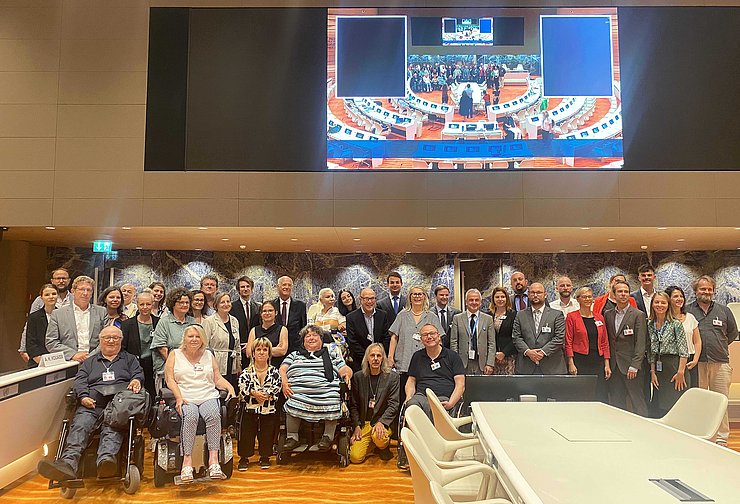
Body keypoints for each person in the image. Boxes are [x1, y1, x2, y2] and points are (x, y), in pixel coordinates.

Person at [37, 326, 144, 482]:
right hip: (93, 404)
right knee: (81, 425)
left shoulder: (130, 359)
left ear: (121, 341)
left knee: (112, 426)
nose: (111, 341)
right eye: (107, 338)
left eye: (115, 338)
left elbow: (138, 374)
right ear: (100, 341)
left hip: (118, 405)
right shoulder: (90, 362)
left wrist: (136, 380)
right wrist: (83, 397)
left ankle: (106, 462)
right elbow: (80, 381)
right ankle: (68, 464)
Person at [164, 324, 235, 482]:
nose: (194, 339)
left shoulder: (208, 355)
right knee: (190, 417)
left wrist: (230, 387)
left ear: (202, 339)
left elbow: (217, 378)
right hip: (186, 396)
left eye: (198, 336)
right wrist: (178, 397)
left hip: (207, 395)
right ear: (185, 338)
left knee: (213, 415)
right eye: (191, 336)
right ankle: (186, 462)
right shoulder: (174, 354)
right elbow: (169, 379)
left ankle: (213, 461)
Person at [280, 325, 353, 452]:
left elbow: (344, 369)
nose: (311, 338)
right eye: (308, 336)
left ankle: (327, 437)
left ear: (321, 339)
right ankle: (292, 437)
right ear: (303, 341)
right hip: (299, 391)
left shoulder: (331, 354)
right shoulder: (295, 354)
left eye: (315, 335)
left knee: (333, 399)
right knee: (292, 399)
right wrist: (284, 383)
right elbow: (282, 369)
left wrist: (347, 375)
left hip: (326, 391)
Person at [686, 275, 738, 446]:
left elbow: (732, 333)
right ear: (696, 291)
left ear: (714, 291)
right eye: (702, 289)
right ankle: (702, 436)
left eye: (709, 289)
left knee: (721, 403)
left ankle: (722, 439)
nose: (706, 292)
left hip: (720, 362)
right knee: (699, 401)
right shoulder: (687, 311)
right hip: (696, 363)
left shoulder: (724, 311)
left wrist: (719, 346)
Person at [388, 286, 445, 403]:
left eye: (420, 294)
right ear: (409, 297)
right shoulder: (402, 315)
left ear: (425, 297)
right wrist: (390, 357)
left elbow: (439, 340)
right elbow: (394, 337)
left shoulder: (431, 316)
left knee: (424, 398)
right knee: (404, 397)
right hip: (405, 363)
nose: (417, 296)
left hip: (427, 365)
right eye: (414, 294)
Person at [604, 280, 648, 416]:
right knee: (617, 402)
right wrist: (608, 364)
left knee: (637, 401)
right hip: (614, 366)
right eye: (620, 292)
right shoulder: (608, 314)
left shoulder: (638, 315)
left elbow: (641, 343)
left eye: (626, 292)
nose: (623, 294)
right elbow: (609, 341)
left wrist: (635, 365)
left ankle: (644, 429)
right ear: (614, 294)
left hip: (631, 367)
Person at [349, 343, 399, 463]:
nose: (375, 358)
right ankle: (373, 444)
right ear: (367, 358)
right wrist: (356, 426)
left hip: (382, 422)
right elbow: (353, 405)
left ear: (383, 358)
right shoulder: (358, 377)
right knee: (355, 458)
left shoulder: (392, 377)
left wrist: (382, 422)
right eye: (372, 355)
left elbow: (394, 405)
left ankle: (383, 446)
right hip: (364, 423)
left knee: (379, 437)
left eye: (378, 355)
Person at [237, 337, 282, 471]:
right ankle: (244, 458)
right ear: (253, 353)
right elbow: (242, 388)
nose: (261, 352)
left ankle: (265, 457)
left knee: (267, 434)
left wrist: (266, 395)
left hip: (268, 409)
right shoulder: (246, 372)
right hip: (249, 409)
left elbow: (277, 387)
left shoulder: (274, 372)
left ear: (269, 353)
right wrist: (253, 393)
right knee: (246, 434)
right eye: (258, 349)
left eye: (265, 349)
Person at [405, 323, 465, 420]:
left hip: (444, 397)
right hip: (422, 397)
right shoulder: (417, 356)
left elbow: (460, 384)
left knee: (435, 407)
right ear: (421, 340)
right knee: (412, 405)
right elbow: (411, 381)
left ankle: (430, 435)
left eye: (432, 333)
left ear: (439, 336)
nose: (429, 337)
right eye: (425, 335)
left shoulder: (453, 356)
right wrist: (408, 397)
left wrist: (451, 403)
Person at [45, 275, 108, 362]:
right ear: (73, 291)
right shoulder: (58, 314)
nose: (85, 293)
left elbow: (106, 339)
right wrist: (73, 355)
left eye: (89, 290)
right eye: (82, 289)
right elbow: (51, 342)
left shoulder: (102, 312)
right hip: (69, 362)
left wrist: (91, 356)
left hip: (96, 360)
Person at [565, 287, 611, 402]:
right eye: (584, 297)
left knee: (600, 393)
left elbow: (605, 342)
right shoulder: (572, 317)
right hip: (580, 361)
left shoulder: (599, 317)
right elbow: (568, 341)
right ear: (578, 299)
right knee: (582, 394)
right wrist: (571, 363)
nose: (587, 299)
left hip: (598, 361)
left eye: (589, 296)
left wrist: (607, 364)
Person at [647, 292, 689, 417]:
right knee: (659, 406)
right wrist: (653, 372)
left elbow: (683, 350)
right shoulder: (650, 324)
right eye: (657, 302)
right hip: (660, 369)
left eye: (663, 302)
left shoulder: (676, 324)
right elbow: (651, 351)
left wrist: (681, 372)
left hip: (675, 368)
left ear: (668, 305)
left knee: (674, 406)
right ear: (652, 304)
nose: (660, 305)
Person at [512, 283, 566, 375]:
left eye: (539, 292)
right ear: (528, 295)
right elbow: (516, 337)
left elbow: (559, 338)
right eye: (532, 292)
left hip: (552, 366)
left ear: (545, 295)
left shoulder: (557, 315)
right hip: (526, 366)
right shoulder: (520, 315)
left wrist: (542, 352)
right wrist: (528, 352)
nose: (535, 295)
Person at [19, 268, 71, 363]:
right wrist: (23, 349)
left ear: (69, 280)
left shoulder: (73, 299)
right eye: (58, 278)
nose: (61, 281)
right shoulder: (37, 304)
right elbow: (30, 328)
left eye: (64, 278)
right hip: (40, 355)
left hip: (61, 356)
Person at [120, 291, 160, 401]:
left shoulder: (159, 323)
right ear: (137, 305)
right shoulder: (127, 324)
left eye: (148, 304)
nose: (145, 307)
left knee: (152, 395)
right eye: (142, 304)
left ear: (152, 304)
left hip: (153, 366)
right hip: (134, 366)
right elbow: (122, 348)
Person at [150, 288, 195, 381]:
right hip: (168, 371)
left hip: (190, 370)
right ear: (173, 304)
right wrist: (177, 364)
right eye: (181, 302)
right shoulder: (164, 322)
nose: (185, 305)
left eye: (187, 302)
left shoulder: (193, 322)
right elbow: (162, 348)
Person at [450, 289, 496, 375]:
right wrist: (456, 362)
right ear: (466, 302)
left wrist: (490, 363)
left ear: (480, 302)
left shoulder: (488, 319)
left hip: (482, 362)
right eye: (471, 300)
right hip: (463, 362)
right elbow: (453, 342)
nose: (474, 302)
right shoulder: (457, 318)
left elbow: (492, 343)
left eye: (476, 300)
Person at [346, 287, 391, 371]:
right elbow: (352, 341)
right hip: (360, 361)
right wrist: (368, 357)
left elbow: (386, 337)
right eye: (366, 299)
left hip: (380, 361)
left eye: (372, 298)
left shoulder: (383, 315)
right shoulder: (351, 317)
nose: (369, 302)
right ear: (360, 299)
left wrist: (378, 355)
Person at [203, 292, 241, 391]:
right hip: (217, 363)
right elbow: (204, 346)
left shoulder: (235, 321)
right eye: (222, 302)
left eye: (228, 301)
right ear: (216, 305)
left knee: (232, 390)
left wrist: (239, 365)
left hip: (232, 363)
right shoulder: (209, 322)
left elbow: (237, 346)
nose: (226, 304)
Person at [665, 286, 701, 389]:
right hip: (672, 360)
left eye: (681, 296)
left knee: (691, 393)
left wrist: (695, 360)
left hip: (690, 361)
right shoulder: (664, 318)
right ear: (668, 299)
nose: (679, 299)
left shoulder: (690, 317)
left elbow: (697, 341)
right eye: (675, 296)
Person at [247, 301, 289, 367]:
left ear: (276, 313)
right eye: (264, 311)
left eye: (270, 310)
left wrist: (258, 350)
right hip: (257, 369)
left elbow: (282, 351)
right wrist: (274, 349)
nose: (267, 313)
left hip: (277, 368)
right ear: (260, 314)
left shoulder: (282, 330)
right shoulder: (254, 330)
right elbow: (249, 353)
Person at [274, 275, 307, 355]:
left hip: (295, 349)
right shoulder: (271, 305)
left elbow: (303, 327)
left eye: (289, 285)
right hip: (276, 348)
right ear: (278, 287)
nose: (287, 287)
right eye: (284, 284)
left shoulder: (300, 305)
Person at [26, 284, 57, 367]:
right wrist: (41, 361)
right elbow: (30, 342)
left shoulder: (63, 315)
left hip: (59, 360)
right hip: (38, 362)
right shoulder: (34, 317)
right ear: (41, 297)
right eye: (47, 295)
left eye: (54, 294)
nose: (51, 297)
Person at [489, 287, 517, 375]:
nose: (500, 299)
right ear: (493, 299)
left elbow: (516, 337)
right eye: (497, 297)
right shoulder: (488, 315)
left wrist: (504, 353)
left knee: (509, 385)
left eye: (503, 297)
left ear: (507, 299)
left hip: (509, 356)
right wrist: (494, 353)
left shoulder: (514, 315)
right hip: (492, 357)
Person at [231, 275, 260, 348]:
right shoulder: (231, 307)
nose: (245, 289)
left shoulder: (259, 307)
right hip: (238, 347)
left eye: (248, 286)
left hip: (255, 347)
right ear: (238, 290)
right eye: (242, 287)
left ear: (252, 289)